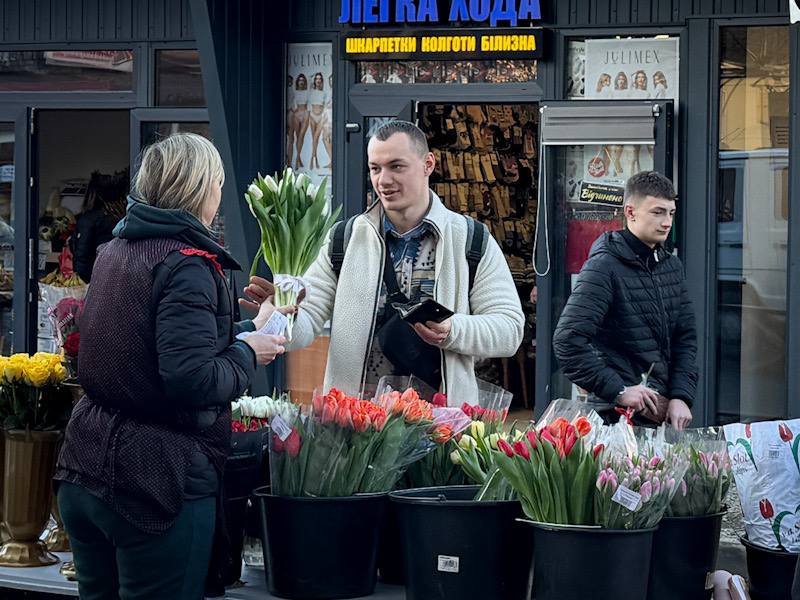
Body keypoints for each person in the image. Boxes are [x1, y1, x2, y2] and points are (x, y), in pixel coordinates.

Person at [54, 133, 288, 600]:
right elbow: (191, 378)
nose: (220, 196)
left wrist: (247, 327)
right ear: (201, 189)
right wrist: (249, 352)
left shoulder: (115, 252)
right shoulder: (188, 264)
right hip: (154, 483)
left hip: (86, 465)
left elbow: (149, 344)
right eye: (219, 184)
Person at [242, 120, 524, 403]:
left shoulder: (471, 240)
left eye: (396, 166)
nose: (383, 180)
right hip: (357, 427)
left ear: (428, 164)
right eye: (375, 168)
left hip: (443, 429)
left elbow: (510, 330)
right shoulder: (344, 238)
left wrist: (453, 330)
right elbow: (305, 327)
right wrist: (280, 315)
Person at [553, 170, 697, 429]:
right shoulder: (604, 266)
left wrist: (681, 396)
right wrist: (618, 390)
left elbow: (685, 339)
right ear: (630, 213)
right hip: (614, 419)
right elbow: (567, 341)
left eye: (671, 213)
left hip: (660, 415)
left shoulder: (671, 266)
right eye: (657, 212)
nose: (667, 222)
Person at [72, 170, 128, 282]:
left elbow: (82, 257)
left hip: (96, 278)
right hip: (119, 277)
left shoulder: (89, 219)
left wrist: (79, 281)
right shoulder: (122, 216)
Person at [308, 72, 326, 171]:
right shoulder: (311, 91)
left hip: (320, 116)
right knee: (313, 139)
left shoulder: (324, 93)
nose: (318, 80)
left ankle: (313, 159)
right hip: (312, 115)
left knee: (316, 138)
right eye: (316, 79)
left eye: (320, 79)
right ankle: (314, 159)